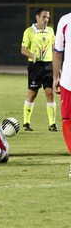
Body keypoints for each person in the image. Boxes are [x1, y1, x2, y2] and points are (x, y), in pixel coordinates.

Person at [21, 7, 57, 132]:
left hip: (48, 65)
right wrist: (32, 55)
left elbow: (54, 49)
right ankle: (26, 123)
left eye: (48, 17)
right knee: (32, 93)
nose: (46, 19)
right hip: (35, 66)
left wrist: (57, 66)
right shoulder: (29, 31)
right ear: (37, 17)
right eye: (44, 17)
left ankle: (52, 124)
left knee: (50, 93)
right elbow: (23, 49)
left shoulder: (51, 31)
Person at [53, 12, 71, 154]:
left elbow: (58, 52)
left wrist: (55, 77)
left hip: (69, 80)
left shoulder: (66, 20)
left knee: (68, 120)